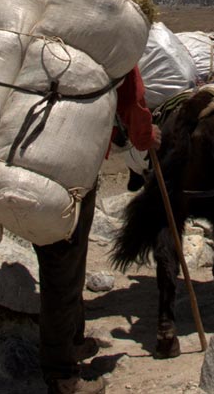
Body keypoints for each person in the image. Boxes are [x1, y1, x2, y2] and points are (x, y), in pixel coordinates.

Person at [34, 65, 159, 394]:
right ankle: (62, 374)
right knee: (63, 263)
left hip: (27, 157)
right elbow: (132, 98)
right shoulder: (109, 43)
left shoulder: (37, 38)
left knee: (64, 259)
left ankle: (73, 339)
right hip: (73, 166)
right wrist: (146, 137)